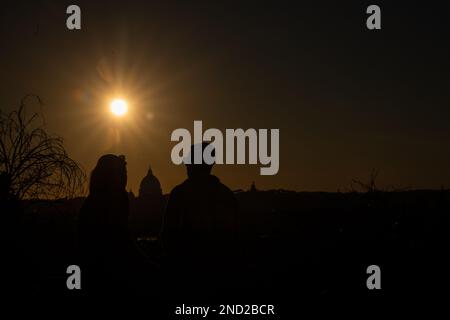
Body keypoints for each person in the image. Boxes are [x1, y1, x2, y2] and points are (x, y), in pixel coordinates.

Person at [161, 143, 238, 291]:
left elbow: (168, 237)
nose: (186, 163)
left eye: (189, 158)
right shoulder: (226, 195)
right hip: (222, 276)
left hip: (187, 277)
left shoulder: (180, 194)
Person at [78, 154, 155, 294]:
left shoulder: (93, 201)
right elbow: (122, 242)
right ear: (112, 176)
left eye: (125, 173)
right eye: (122, 173)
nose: (125, 177)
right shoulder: (116, 200)